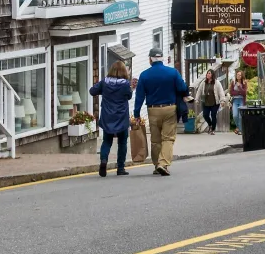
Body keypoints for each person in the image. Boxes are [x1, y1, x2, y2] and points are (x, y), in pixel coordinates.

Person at [133, 48, 189, 176]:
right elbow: (182, 87)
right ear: (162, 58)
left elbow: (139, 97)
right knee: (168, 138)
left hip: (153, 110)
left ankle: (157, 164)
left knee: (155, 140)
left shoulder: (144, 75)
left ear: (150, 59)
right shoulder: (172, 73)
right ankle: (163, 164)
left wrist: (136, 114)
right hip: (170, 108)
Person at [90, 61, 133, 178]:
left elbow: (92, 91)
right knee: (122, 142)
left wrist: (102, 89)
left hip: (107, 115)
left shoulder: (105, 82)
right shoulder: (125, 84)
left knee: (107, 141)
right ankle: (120, 168)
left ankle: (103, 160)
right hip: (121, 116)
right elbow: (129, 96)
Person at [194, 69, 226, 135]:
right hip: (205, 102)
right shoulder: (203, 82)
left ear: (212, 75)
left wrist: (222, 100)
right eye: (207, 73)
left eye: (209, 73)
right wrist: (196, 99)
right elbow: (199, 91)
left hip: (214, 102)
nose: (208, 74)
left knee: (213, 115)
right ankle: (210, 125)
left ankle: (213, 130)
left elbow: (221, 92)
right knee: (205, 115)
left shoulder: (217, 82)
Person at [228, 69, 248, 135]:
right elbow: (231, 92)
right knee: (235, 115)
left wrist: (239, 86)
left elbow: (244, 93)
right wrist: (239, 92)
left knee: (240, 116)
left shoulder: (244, 82)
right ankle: (239, 128)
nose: (238, 76)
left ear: (242, 76)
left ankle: (240, 130)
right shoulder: (233, 82)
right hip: (235, 100)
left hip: (241, 100)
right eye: (237, 75)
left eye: (240, 75)